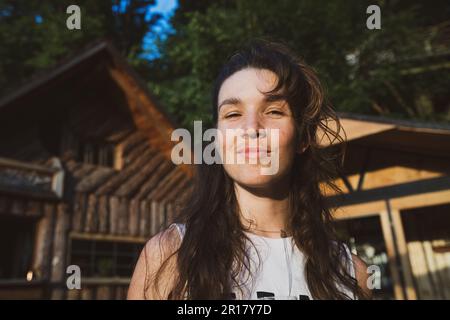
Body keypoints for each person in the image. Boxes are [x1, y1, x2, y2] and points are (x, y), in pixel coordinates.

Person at [128, 39, 372, 300]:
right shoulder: (170, 256)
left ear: (302, 138)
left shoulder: (351, 272)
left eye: (274, 111)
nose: (251, 129)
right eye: (232, 115)